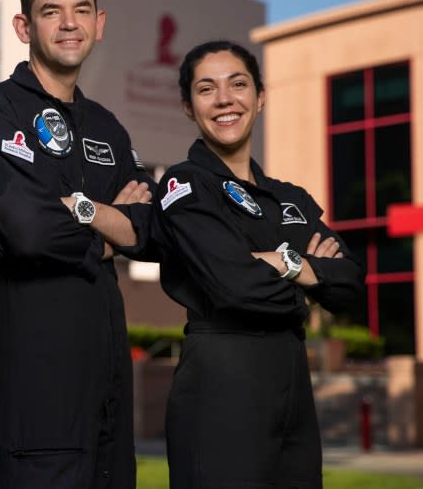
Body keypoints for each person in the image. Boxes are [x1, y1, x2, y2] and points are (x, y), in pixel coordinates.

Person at [0, 0, 155, 489]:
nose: (69, 23)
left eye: (81, 10)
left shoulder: (108, 127)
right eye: (50, 11)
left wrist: (79, 210)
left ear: (99, 24)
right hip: (34, 384)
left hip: (106, 384)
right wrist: (109, 228)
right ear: (24, 25)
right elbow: (28, 229)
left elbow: (151, 230)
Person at [153, 40, 364, 488]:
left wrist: (282, 263)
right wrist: (306, 270)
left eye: (239, 84)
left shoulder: (290, 197)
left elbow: (349, 286)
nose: (225, 99)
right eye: (206, 89)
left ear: (260, 96)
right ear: (189, 107)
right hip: (220, 379)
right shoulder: (184, 184)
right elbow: (233, 285)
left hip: (291, 379)